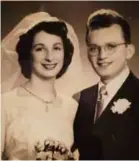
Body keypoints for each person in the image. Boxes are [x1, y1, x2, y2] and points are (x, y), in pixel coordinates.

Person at [1, 12, 80, 160]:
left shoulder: (72, 107)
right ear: (28, 54)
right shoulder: (5, 103)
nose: (49, 57)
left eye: (56, 48)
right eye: (39, 48)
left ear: (65, 54)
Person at [73, 9, 139, 160]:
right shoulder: (80, 99)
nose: (102, 56)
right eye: (94, 48)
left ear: (129, 51)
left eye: (111, 46)